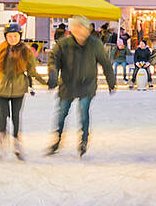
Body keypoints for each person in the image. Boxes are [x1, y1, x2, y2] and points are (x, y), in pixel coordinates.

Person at [46, 15, 115, 156]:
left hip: (86, 85)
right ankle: (57, 139)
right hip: (67, 85)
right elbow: (53, 59)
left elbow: (106, 63)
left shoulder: (95, 44)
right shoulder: (63, 44)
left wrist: (111, 81)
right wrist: (53, 74)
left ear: (87, 29)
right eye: (76, 28)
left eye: (82, 27)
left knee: (83, 113)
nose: (79, 31)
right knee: (61, 114)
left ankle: (83, 141)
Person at [0, 23, 37, 160]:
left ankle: (16, 141)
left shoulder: (26, 51)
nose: (13, 38)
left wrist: (42, 82)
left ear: (20, 36)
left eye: (15, 36)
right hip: (1, 88)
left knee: (16, 116)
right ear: (6, 37)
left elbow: (31, 70)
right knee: (3, 115)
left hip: (18, 88)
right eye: (10, 36)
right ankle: (3, 139)